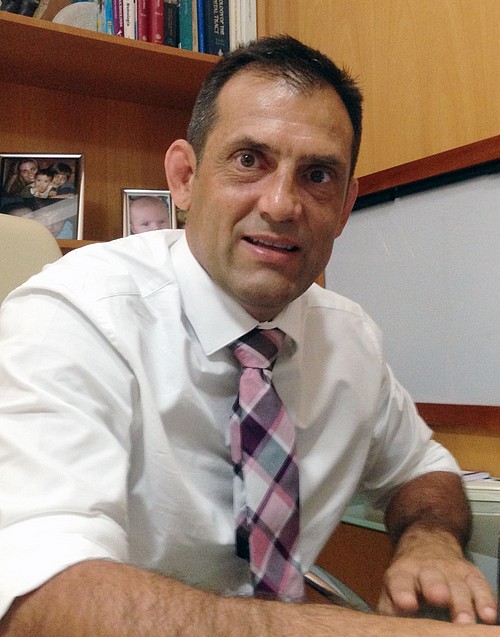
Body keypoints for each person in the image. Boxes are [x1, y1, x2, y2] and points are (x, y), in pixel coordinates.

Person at [0, 35, 497, 637]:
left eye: (317, 175)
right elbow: (40, 598)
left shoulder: (349, 338)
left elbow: (422, 470)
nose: (282, 205)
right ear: (185, 178)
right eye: (248, 160)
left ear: (345, 207)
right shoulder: (74, 316)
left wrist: (431, 541)